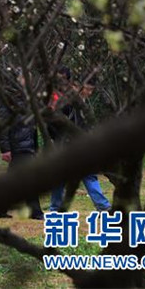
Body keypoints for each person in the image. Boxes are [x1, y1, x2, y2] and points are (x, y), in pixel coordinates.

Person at [48, 72, 111, 212]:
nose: (89, 92)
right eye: (87, 88)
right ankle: (55, 208)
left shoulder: (82, 103)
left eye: (91, 90)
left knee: (89, 175)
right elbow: (52, 123)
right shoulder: (66, 102)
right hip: (66, 146)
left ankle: (103, 206)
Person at [0, 72, 43, 220]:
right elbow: (2, 124)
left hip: (26, 144)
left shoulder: (28, 96)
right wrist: (5, 148)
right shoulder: (7, 97)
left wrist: (34, 146)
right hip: (17, 144)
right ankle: (35, 211)